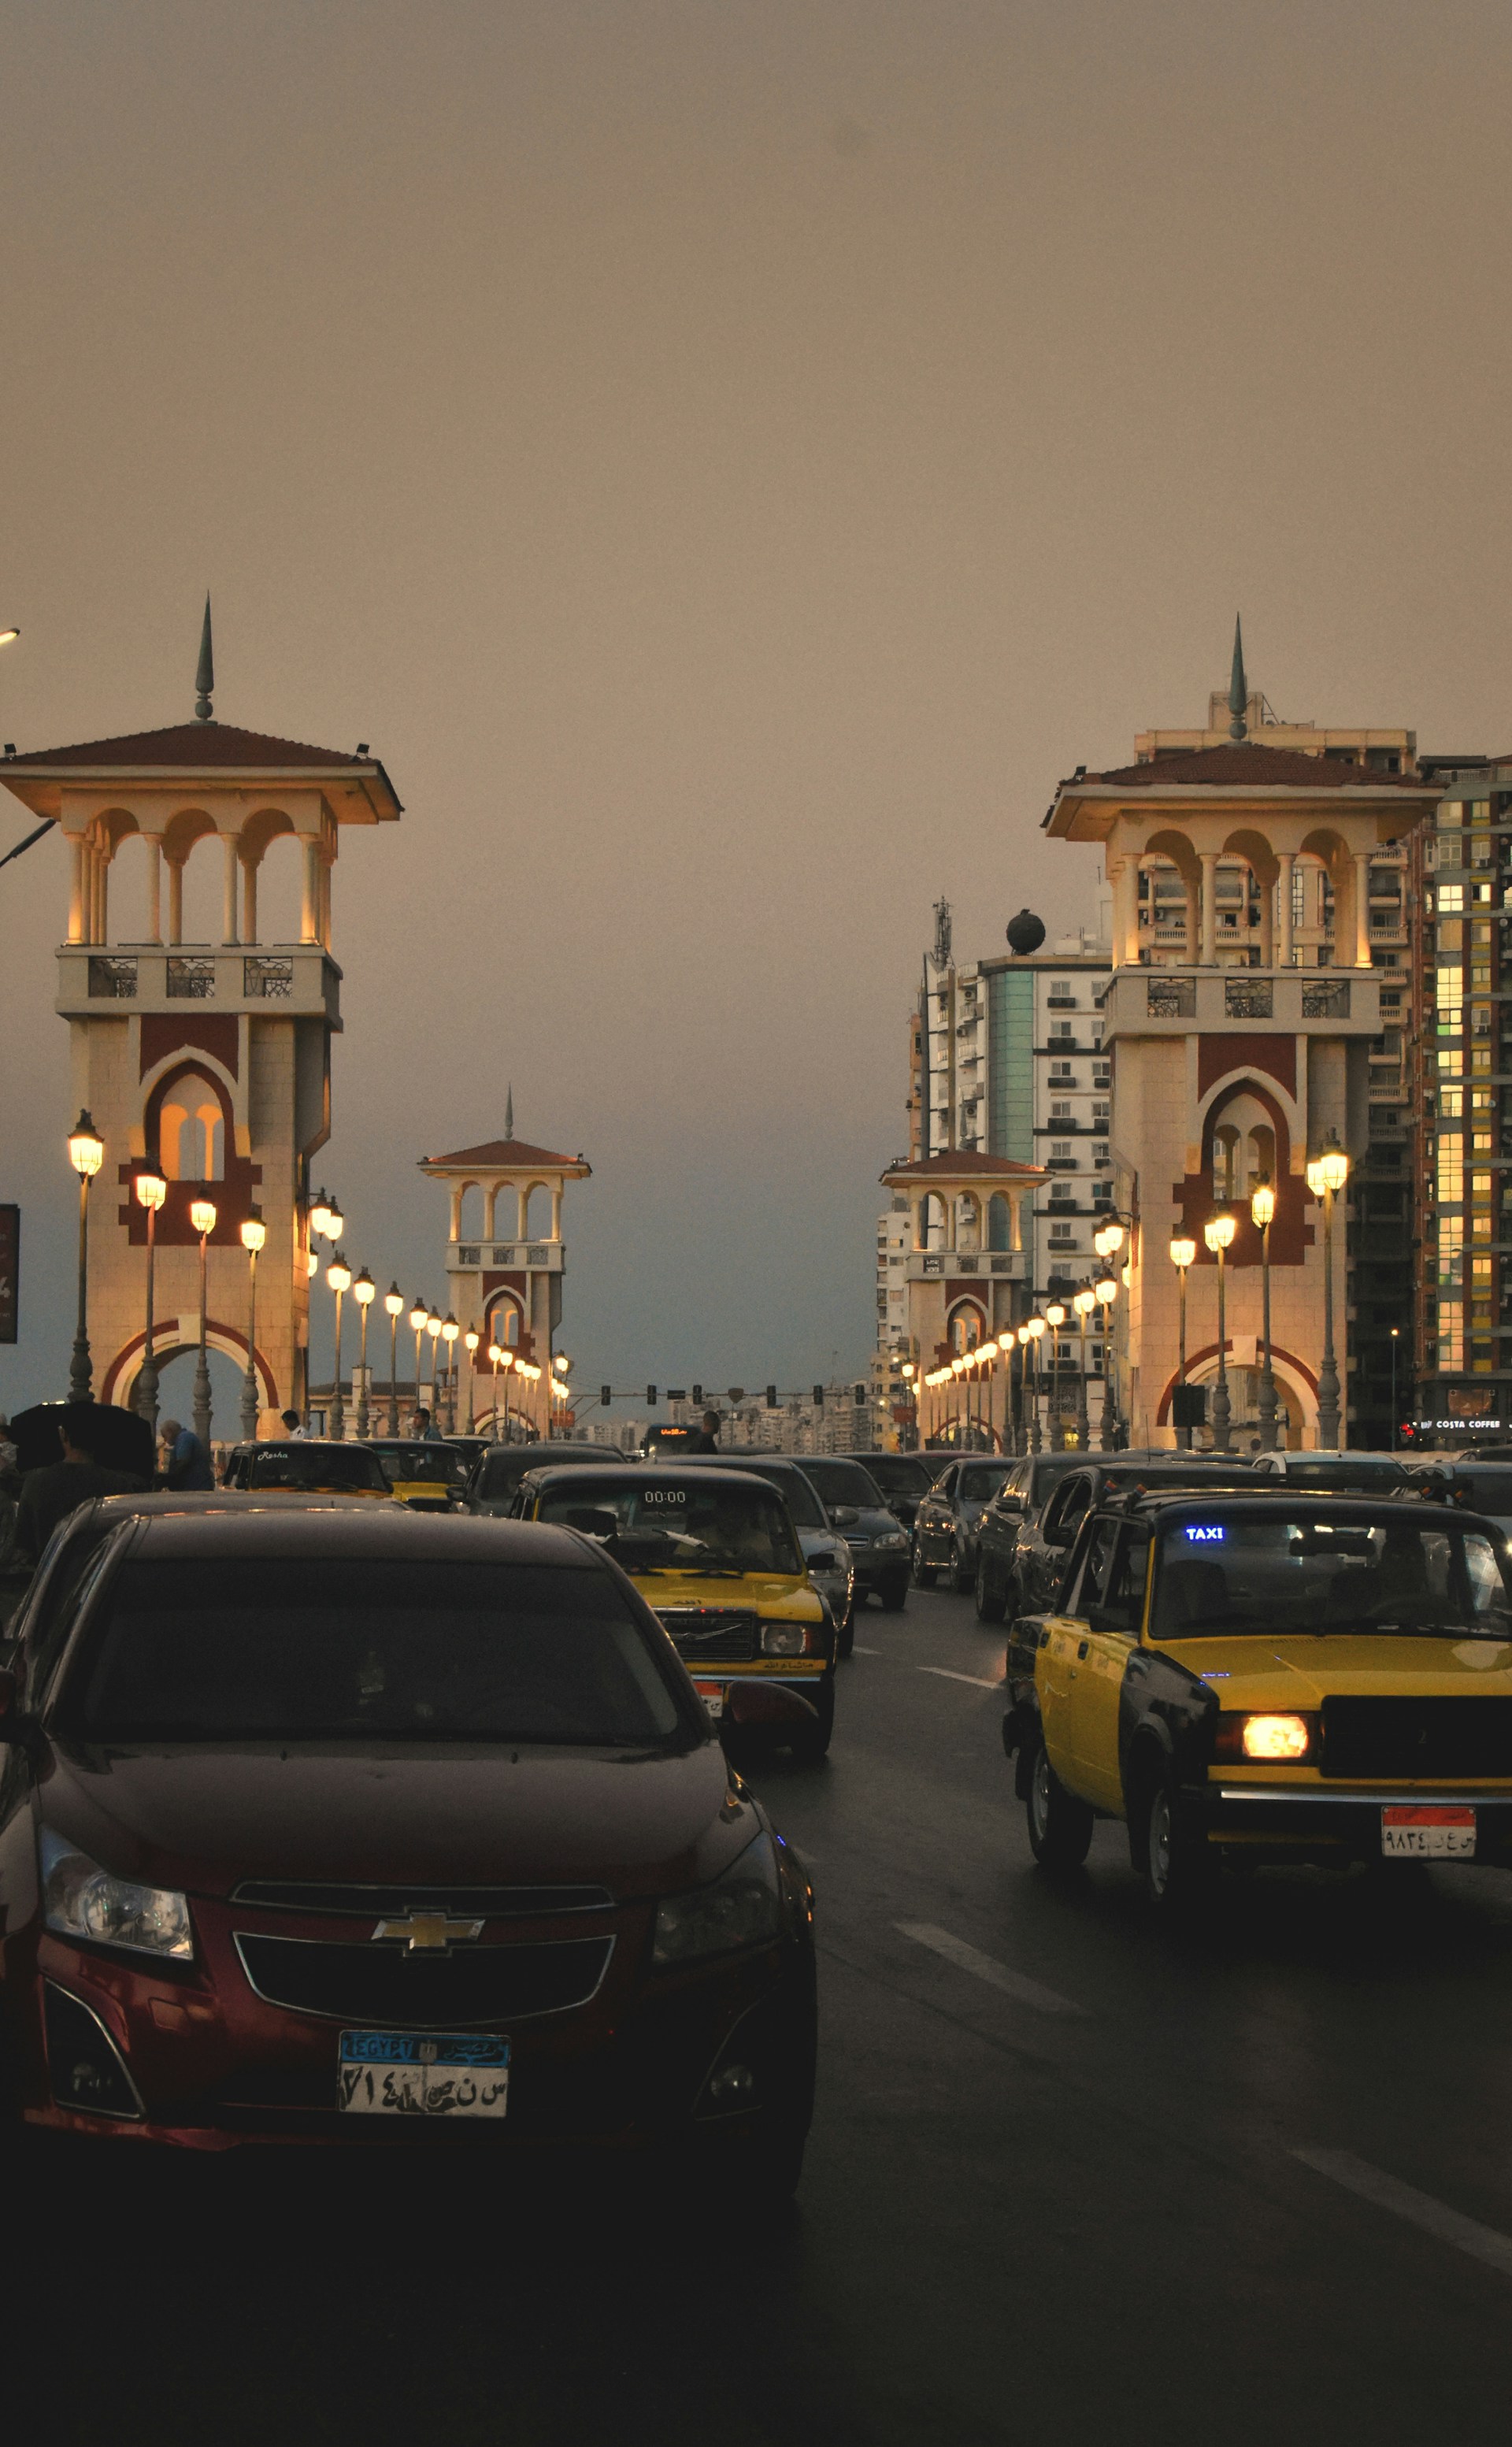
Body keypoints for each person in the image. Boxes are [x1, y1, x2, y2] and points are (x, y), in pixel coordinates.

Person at [16, 1401, 150, 1563]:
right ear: (99, 1436)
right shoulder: (120, 1485)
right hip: (101, 1579)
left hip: (52, 1580)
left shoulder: (35, 1483)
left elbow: (23, 1545)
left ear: (63, 1435)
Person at [159, 1418, 214, 1492]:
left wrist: (167, 1478)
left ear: (170, 1431)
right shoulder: (185, 1437)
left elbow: (183, 1462)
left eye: (164, 1436)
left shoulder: (184, 1438)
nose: (165, 1440)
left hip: (196, 1487)